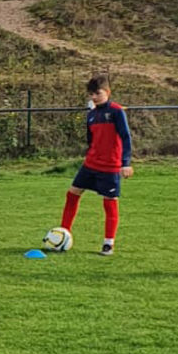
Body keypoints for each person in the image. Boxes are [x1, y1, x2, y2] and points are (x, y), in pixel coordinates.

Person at [58, 74, 133, 256]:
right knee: (72, 193)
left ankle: (108, 244)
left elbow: (126, 136)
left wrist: (125, 163)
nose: (93, 97)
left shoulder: (116, 111)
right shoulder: (91, 115)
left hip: (110, 166)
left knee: (109, 203)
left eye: (97, 93)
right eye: (91, 94)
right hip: (91, 164)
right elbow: (91, 141)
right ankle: (62, 234)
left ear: (107, 92)